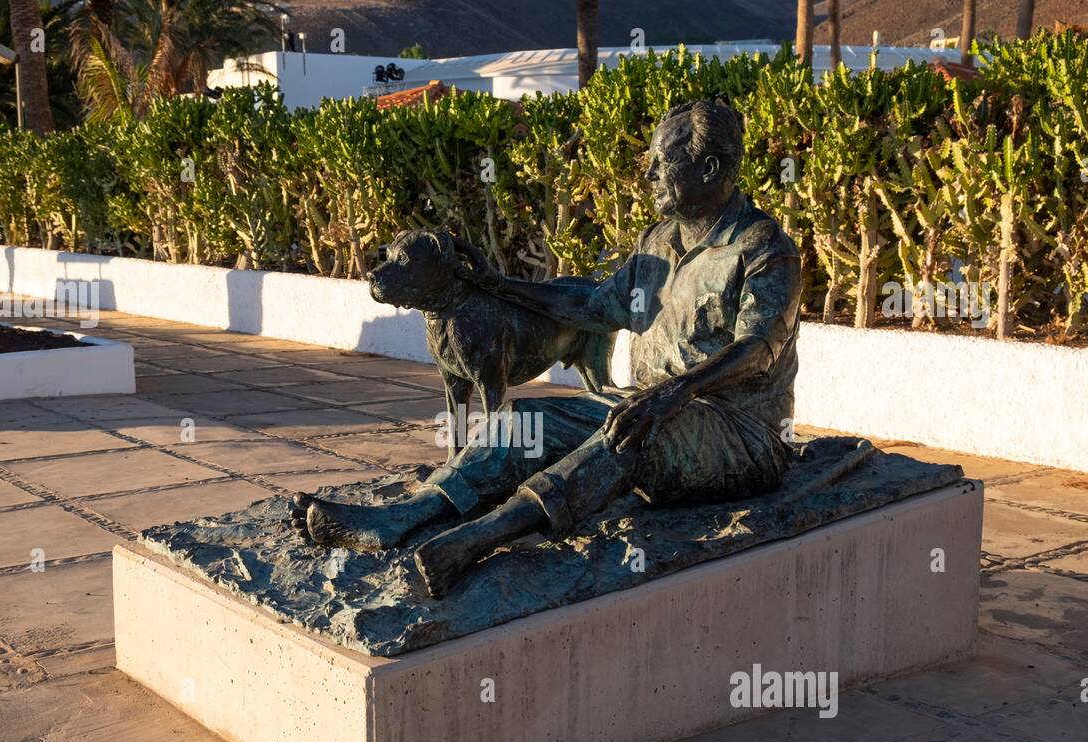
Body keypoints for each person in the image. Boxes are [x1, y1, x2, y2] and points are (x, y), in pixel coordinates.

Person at [291, 99, 802, 597]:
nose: (646, 176)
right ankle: (408, 516)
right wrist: (498, 285)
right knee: (520, 424)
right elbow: (593, 307)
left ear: (709, 168)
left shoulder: (762, 248)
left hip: (739, 434)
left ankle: (476, 539)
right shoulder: (656, 241)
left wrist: (673, 395)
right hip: (645, 407)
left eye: (661, 164)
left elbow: (758, 348)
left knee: (624, 437)